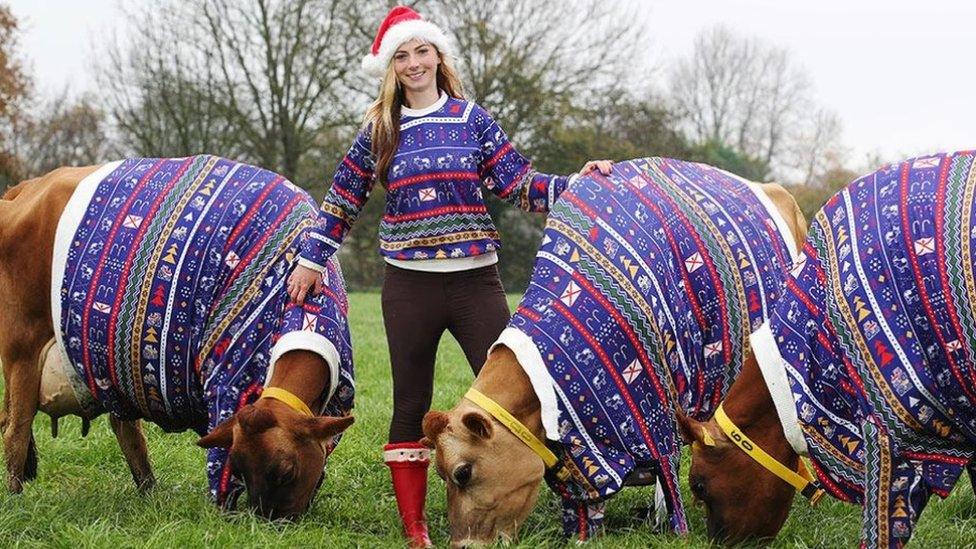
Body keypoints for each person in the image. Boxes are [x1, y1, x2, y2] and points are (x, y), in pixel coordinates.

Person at [286, 6, 612, 547]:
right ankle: (417, 529)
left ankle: (579, 505)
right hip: (409, 287)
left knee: (527, 393)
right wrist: (311, 258)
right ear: (390, 68)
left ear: (438, 56)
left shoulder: (472, 120)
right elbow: (341, 200)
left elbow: (520, 185)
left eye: (422, 51)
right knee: (410, 404)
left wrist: (578, 183)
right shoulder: (380, 130)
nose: (414, 63)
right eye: (402, 56)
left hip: (476, 283)